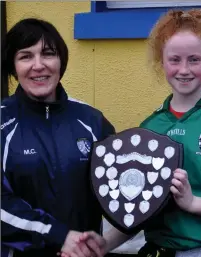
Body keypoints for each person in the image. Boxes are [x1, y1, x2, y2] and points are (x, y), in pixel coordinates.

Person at [75, 8, 201, 257]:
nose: (184, 69)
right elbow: (138, 208)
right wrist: (102, 245)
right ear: (162, 61)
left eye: (194, 60)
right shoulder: (150, 128)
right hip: (155, 250)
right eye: (175, 59)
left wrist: (193, 203)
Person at [1, 18, 115, 257]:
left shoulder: (92, 121)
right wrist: (58, 235)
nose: (38, 65)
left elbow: (117, 190)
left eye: (48, 54)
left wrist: (107, 241)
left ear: (61, 61)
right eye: (25, 56)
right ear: (13, 66)